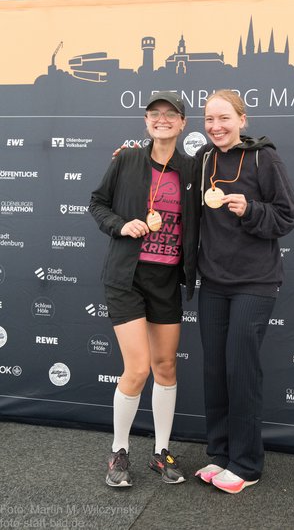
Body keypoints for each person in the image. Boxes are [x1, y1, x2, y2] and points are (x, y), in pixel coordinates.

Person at [89, 91, 200, 487]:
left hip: (167, 279)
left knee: (166, 367)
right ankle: (119, 452)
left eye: (171, 114)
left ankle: (160, 452)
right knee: (136, 369)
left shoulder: (193, 169)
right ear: (146, 121)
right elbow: (98, 203)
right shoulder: (128, 159)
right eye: (155, 114)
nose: (162, 119)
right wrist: (121, 225)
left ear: (184, 123)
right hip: (127, 277)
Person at [194, 89, 294, 494]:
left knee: (241, 371)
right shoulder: (204, 160)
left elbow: (289, 214)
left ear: (242, 119)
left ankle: (246, 464)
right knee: (216, 371)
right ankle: (221, 455)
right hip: (214, 281)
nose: (216, 127)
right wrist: (129, 158)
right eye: (209, 120)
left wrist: (251, 209)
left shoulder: (263, 157)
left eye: (224, 118)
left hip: (255, 282)